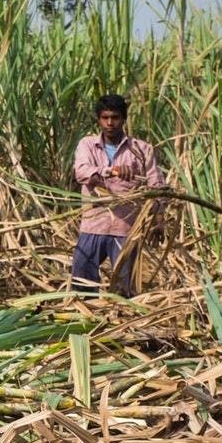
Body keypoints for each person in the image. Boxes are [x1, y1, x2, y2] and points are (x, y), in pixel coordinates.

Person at [70, 94, 166, 296]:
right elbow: (82, 172)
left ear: (124, 119)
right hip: (94, 223)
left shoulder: (142, 149)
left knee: (125, 284)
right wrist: (111, 171)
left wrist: (159, 218)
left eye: (115, 118)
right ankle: (84, 320)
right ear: (99, 119)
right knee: (82, 280)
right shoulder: (87, 145)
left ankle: (124, 323)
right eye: (105, 118)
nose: (110, 123)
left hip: (126, 228)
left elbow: (155, 184)